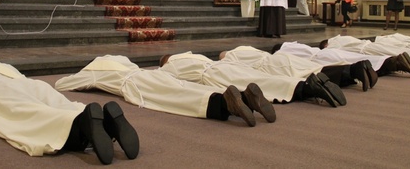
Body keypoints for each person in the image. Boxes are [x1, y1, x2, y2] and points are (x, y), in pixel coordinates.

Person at [0, 57, 139, 165]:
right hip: (32, 84)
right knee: (59, 103)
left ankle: (83, 126)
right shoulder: (2, 65)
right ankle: (101, 123)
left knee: (32, 117)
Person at [55, 55, 274, 127]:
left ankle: (226, 105)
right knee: (183, 87)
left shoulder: (95, 69)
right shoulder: (120, 59)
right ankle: (245, 98)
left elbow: (62, 84)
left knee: (177, 98)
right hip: (150, 74)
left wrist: (80, 74)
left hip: (136, 84)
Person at [160, 51, 347, 108]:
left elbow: (175, 83)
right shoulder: (195, 56)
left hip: (216, 75)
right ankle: (313, 84)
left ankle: (308, 87)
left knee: (263, 84)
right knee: (264, 78)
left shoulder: (171, 66)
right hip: (224, 67)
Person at [220, 45, 379, 92]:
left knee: (314, 74)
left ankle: (353, 71)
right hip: (279, 58)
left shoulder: (232, 57)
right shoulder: (246, 48)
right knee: (317, 68)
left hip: (273, 65)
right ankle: (354, 69)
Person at [274, 41, 410, 79]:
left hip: (322, 58)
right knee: (361, 58)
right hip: (326, 53)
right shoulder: (293, 46)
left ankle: (395, 63)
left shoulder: (282, 52)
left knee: (354, 64)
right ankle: (395, 61)